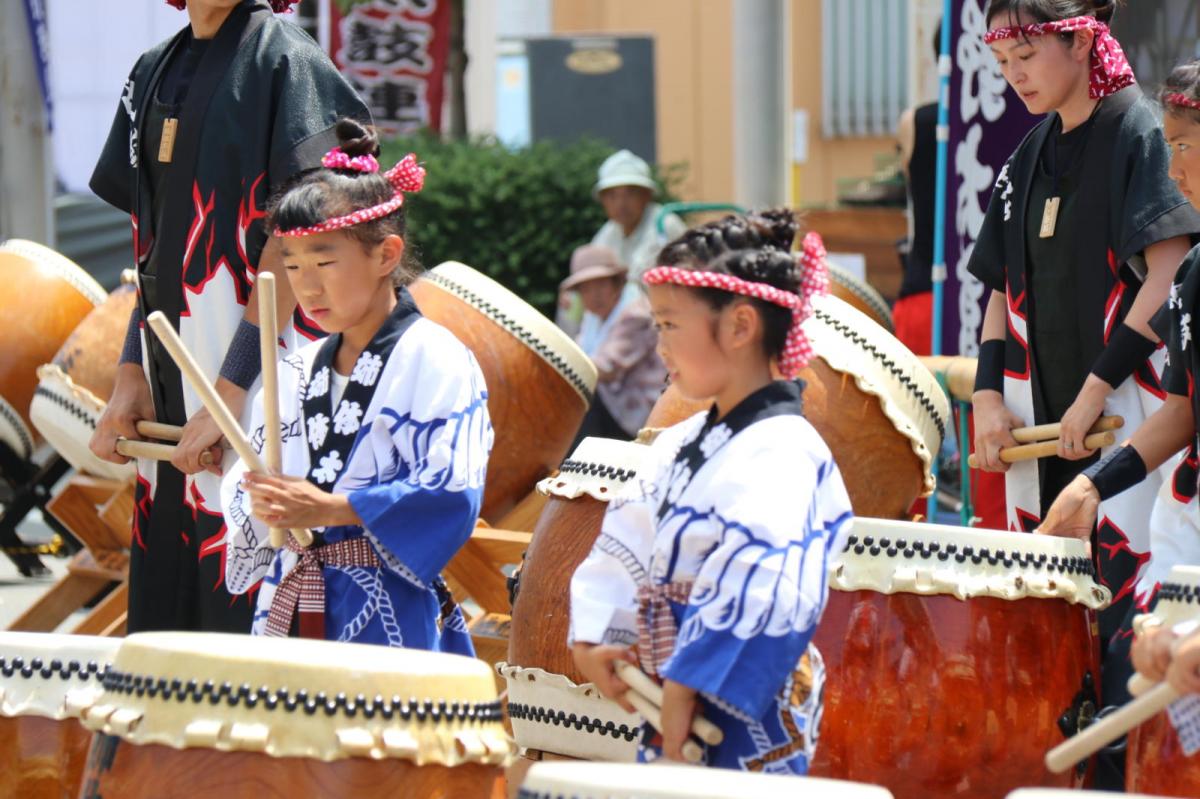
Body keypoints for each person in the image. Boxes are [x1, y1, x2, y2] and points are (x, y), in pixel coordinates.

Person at [86, 0, 371, 634]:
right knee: (167, 614)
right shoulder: (149, 72)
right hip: (172, 384)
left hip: (264, 382)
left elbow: (295, 244)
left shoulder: (289, 63)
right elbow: (156, 248)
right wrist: (129, 377)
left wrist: (229, 390)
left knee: (250, 592)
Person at [568, 211, 853, 772]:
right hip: (673, 688)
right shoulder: (681, 443)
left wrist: (691, 678)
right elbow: (626, 539)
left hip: (748, 705)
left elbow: (768, 576)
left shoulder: (785, 448)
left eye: (670, 325)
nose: (659, 345)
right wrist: (603, 633)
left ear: (740, 325)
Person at [219, 121, 492, 650]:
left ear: (386, 254)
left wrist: (330, 509)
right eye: (294, 266)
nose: (308, 285)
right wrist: (262, 500)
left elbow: (453, 490)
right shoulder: (296, 370)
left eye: (324, 261)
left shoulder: (434, 359)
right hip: (293, 595)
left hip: (387, 607)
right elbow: (253, 478)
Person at [1042, 63, 1200, 641]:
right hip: (1188, 533)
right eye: (1167, 146)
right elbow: (1183, 412)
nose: (1173, 170)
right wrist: (1090, 486)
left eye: (1183, 145)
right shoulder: (1194, 272)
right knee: (1164, 712)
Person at [559, 150, 687, 336]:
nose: (621, 203)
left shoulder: (664, 226)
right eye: (612, 196)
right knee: (572, 300)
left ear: (646, 195)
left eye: (630, 193)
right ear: (603, 200)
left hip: (657, 324)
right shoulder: (608, 233)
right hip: (621, 323)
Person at [561, 244, 666, 442]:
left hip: (638, 415)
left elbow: (606, 368)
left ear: (617, 283)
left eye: (601, 284)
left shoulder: (636, 313)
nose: (595, 294)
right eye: (586, 288)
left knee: (583, 400)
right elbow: (579, 352)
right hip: (613, 409)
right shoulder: (592, 318)